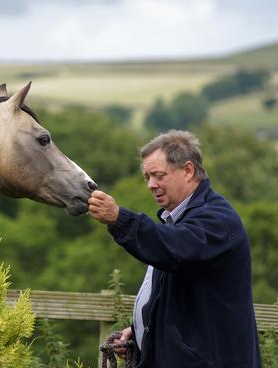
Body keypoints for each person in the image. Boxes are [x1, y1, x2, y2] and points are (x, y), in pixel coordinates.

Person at [88, 130, 261, 367]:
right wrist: (141, 332)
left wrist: (119, 219)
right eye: (147, 176)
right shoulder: (178, 221)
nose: (150, 184)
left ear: (188, 170)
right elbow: (177, 299)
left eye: (158, 175)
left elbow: (172, 248)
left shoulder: (217, 220)